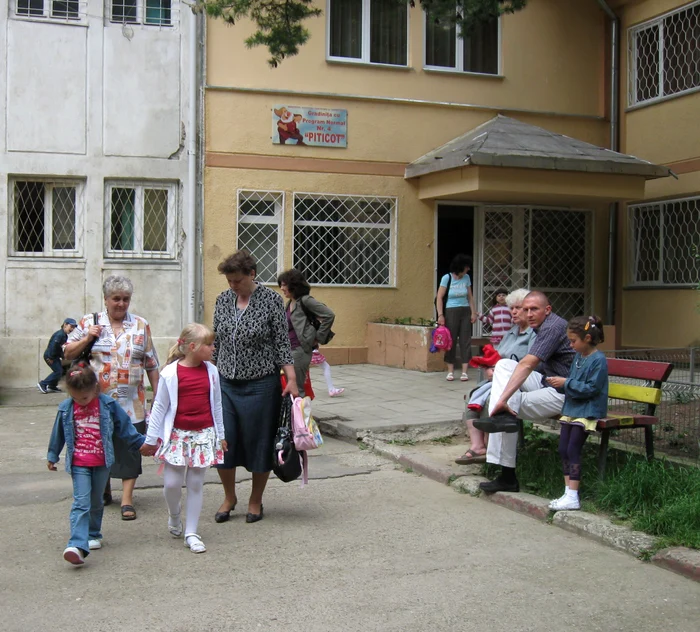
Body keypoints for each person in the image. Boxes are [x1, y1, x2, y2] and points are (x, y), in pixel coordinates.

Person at [213, 251, 298, 524]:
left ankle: (255, 499)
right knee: (224, 442)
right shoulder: (223, 300)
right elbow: (217, 341)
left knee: (260, 442)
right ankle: (229, 496)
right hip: (226, 382)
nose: (232, 286)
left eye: (237, 280)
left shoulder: (272, 300)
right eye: (229, 281)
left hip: (261, 384)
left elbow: (282, 344)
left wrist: (292, 380)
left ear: (252, 274)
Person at [64, 276, 159, 520]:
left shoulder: (140, 324)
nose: (121, 304)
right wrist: (87, 337)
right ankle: (104, 490)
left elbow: (151, 363)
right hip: (95, 401)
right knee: (98, 446)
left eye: (126, 299)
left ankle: (127, 499)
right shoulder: (89, 322)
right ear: (106, 299)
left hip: (132, 402)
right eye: (116, 299)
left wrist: (158, 395)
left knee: (130, 447)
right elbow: (67, 353)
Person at [473, 291, 575, 492]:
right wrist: (503, 398)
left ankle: (507, 477)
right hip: (548, 382)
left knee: (507, 408)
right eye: (525, 309)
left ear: (547, 310)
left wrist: (502, 399)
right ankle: (503, 414)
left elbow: (529, 363)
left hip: (566, 393)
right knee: (504, 365)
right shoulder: (541, 326)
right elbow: (523, 366)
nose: (528, 314)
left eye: (534, 309)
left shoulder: (553, 327)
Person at [47, 362, 146, 566]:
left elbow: (124, 427)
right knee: (81, 502)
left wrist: (141, 444)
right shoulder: (66, 408)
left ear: (95, 389)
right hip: (78, 463)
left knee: (96, 501)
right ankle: (77, 544)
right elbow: (58, 433)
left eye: (84, 398)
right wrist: (52, 454)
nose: (80, 402)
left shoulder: (107, 405)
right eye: (75, 397)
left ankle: (93, 534)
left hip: (102, 462)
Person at [141, 324, 227, 554]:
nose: (213, 348)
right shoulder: (170, 373)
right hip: (177, 436)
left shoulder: (212, 371)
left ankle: (191, 532)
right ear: (192, 347)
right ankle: (174, 513)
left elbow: (217, 404)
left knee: (196, 483)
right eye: (208, 344)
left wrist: (221, 435)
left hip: (203, 434)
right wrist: (151, 439)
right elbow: (159, 407)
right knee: (171, 484)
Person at [455, 288, 535, 465]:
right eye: (511, 307)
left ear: (529, 310)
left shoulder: (534, 334)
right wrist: (489, 368)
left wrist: (497, 370)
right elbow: (497, 356)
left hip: (519, 383)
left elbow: (529, 364)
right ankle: (478, 446)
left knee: (490, 397)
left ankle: (492, 449)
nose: (512, 311)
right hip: (499, 379)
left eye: (518, 307)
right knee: (473, 395)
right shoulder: (512, 332)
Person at [545, 316, 608, 511]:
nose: (571, 345)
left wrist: (566, 383)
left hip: (587, 410)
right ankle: (567, 491)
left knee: (573, 449)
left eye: (573, 341)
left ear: (587, 338)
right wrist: (559, 384)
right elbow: (572, 382)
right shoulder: (579, 358)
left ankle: (573, 495)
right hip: (573, 409)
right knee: (563, 448)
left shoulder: (598, 360)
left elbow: (592, 389)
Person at [277, 268, 336, 398]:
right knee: (289, 389)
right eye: (280, 284)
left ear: (294, 285)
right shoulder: (290, 303)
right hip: (289, 350)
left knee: (297, 390)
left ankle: (303, 417)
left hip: (299, 350)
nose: (281, 288)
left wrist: (317, 338)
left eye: (284, 284)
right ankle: (293, 418)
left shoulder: (305, 300)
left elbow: (329, 315)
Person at [435, 254, 477, 382]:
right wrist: (440, 315)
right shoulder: (446, 278)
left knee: (465, 340)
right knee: (450, 340)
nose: (468, 269)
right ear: (461, 267)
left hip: (465, 310)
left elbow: (470, 297)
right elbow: (439, 297)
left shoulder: (466, 278)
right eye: (467, 267)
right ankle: (450, 371)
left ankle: (465, 371)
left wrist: (473, 312)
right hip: (451, 310)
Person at [37, 318, 77, 394]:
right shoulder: (60, 334)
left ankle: (52, 386)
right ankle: (43, 384)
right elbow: (53, 346)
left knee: (60, 371)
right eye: (71, 326)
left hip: (53, 356)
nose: (72, 329)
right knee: (58, 371)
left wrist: (63, 356)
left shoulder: (64, 335)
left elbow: (59, 347)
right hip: (50, 356)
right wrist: (51, 357)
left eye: (73, 327)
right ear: (65, 325)